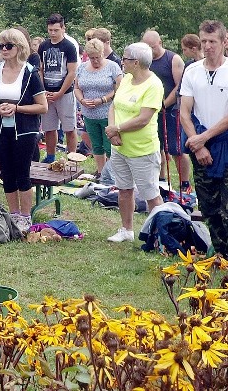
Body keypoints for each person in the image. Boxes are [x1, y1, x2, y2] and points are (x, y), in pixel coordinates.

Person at [179, 20, 228, 269]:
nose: (208, 46)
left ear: (223, 42)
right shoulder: (192, 71)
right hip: (199, 144)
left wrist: (204, 138)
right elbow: (185, 112)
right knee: (208, 205)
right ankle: (220, 252)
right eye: (204, 42)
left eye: (213, 42)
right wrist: (198, 145)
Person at [0, 29, 48, 230]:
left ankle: (26, 216)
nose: (4, 49)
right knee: (6, 172)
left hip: (25, 130)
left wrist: (17, 108)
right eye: (1, 46)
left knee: (23, 172)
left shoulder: (30, 73)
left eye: (8, 46)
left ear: (19, 48)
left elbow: (43, 106)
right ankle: (13, 214)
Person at [105, 42, 165, 242]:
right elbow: (114, 106)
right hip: (120, 146)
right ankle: (126, 230)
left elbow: (143, 119)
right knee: (124, 189)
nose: (122, 61)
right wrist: (113, 132)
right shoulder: (127, 79)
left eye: (125, 59)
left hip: (143, 149)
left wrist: (118, 129)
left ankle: (159, 234)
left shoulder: (154, 85)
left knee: (151, 194)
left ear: (136, 63)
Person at [141, 29, 191, 192]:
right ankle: (160, 179)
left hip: (171, 110)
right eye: (146, 47)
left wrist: (164, 103)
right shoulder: (143, 60)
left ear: (160, 43)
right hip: (150, 110)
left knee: (176, 149)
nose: (149, 50)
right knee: (156, 147)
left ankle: (185, 183)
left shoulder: (173, 59)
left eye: (152, 46)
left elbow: (180, 86)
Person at [74, 38, 122, 177]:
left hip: (108, 113)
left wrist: (103, 99)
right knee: (96, 145)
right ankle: (101, 172)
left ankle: (111, 174)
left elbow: (120, 88)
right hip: (89, 113)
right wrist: (82, 100)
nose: (95, 61)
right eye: (92, 58)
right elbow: (76, 87)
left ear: (103, 53)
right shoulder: (82, 67)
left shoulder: (112, 66)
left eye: (98, 57)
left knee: (109, 145)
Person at [38, 14, 79, 162]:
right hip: (47, 92)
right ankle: (50, 156)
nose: (53, 33)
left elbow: (72, 72)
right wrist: (43, 90)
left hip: (65, 93)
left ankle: (72, 158)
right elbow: (41, 69)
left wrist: (60, 92)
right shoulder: (43, 46)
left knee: (69, 127)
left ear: (63, 28)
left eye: (56, 30)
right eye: (50, 30)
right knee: (49, 127)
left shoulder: (69, 46)